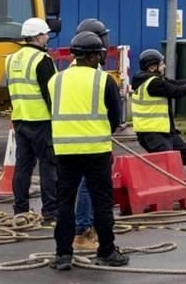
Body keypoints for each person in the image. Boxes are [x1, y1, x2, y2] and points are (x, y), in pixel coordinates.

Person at [48, 31, 128, 270]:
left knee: (64, 203)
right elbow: (115, 117)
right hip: (96, 150)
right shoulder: (103, 81)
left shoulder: (56, 80)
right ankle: (107, 251)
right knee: (102, 202)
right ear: (93, 57)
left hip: (65, 151)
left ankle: (63, 254)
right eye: (99, 55)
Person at [131, 48, 186, 187]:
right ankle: (163, 196)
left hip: (165, 131)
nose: (164, 66)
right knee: (168, 165)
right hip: (152, 134)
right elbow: (176, 91)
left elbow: (175, 83)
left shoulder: (153, 80)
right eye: (162, 64)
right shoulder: (153, 83)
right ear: (152, 67)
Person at [6, 18, 57, 222]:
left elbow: (9, 90)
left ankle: (20, 210)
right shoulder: (42, 60)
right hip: (41, 120)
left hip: (20, 119)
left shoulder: (11, 59)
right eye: (45, 35)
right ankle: (50, 211)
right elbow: (50, 93)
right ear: (37, 37)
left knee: (23, 166)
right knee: (48, 166)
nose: (47, 38)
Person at [71, 18, 112, 252]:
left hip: (70, 141)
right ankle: (83, 232)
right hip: (90, 141)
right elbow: (113, 111)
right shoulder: (96, 75)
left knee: (74, 189)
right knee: (89, 187)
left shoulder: (70, 71)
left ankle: (82, 232)